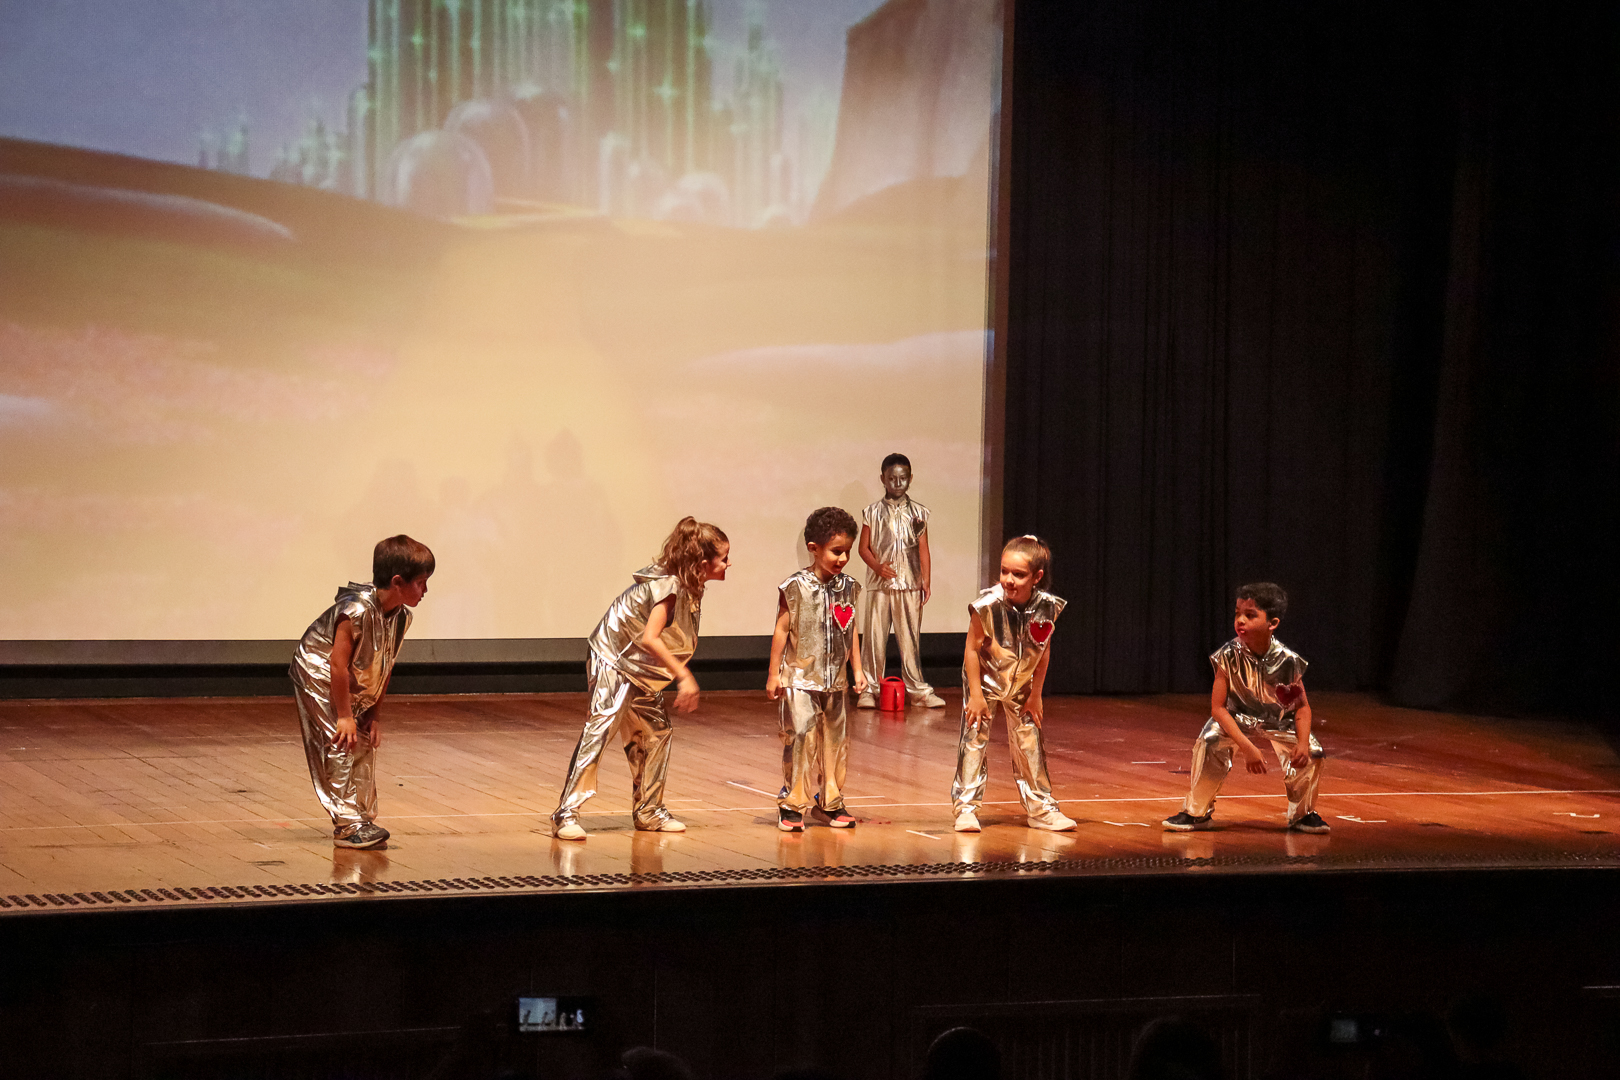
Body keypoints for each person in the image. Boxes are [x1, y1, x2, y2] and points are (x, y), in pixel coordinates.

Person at [551, 517, 730, 840]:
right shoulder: (669, 587)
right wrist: (684, 676)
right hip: (615, 659)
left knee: (656, 731)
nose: (729, 564)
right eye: (724, 558)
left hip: (641, 668)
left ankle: (649, 811)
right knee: (602, 728)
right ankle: (566, 813)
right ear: (703, 564)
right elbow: (650, 637)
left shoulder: (689, 586)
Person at [289, 534, 434, 850]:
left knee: (365, 739)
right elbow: (337, 665)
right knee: (340, 741)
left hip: (354, 677)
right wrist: (344, 715)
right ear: (397, 582)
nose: (425, 591)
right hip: (319, 673)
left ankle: (363, 817)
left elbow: (386, 665)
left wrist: (373, 714)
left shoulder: (401, 617)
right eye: (421, 583)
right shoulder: (354, 610)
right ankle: (346, 825)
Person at [1163, 582, 1329, 833]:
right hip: (1236, 718)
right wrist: (1247, 746)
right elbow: (1218, 709)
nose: (1240, 620)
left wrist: (1303, 743)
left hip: (1278, 721)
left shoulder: (1288, 661)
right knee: (1210, 741)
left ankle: (1303, 815)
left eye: (1250, 615)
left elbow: (1302, 707)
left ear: (1272, 623)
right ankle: (1196, 812)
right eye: (1238, 613)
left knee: (1313, 753)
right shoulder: (1228, 655)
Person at [952, 535, 1076, 833]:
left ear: (1037, 577)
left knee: (1030, 740)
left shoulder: (1047, 607)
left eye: (1018, 574)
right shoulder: (986, 606)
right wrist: (976, 695)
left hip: (1022, 684)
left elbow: (1043, 650)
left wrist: (1036, 694)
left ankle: (1041, 808)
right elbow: (971, 649)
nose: (1009, 579)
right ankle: (966, 808)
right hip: (986, 681)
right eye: (1004, 571)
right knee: (974, 739)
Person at [766, 506, 868, 832]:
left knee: (835, 744)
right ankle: (792, 804)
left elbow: (850, 629)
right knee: (801, 738)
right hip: (799, 679)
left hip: (835, 681)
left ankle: (830, 803)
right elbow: (782, 629)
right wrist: (774, 673)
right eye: (836, 551)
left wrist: (858, 669)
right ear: (814, 548)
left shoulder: (849, 587)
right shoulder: (795, 587)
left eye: (847, 552)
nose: (843, 558)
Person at [856, 453, 946, 708]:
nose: (897, 483)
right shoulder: (872, 512)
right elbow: (863, 548)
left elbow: (923, 548)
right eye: (892, 478)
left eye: (903, 478)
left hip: (909, 582)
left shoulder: (918, 513)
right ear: (882, 479)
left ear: (910, 479)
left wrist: (926, 580)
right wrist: (877, 566)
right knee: (874, 638)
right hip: (880, 585)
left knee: (909, 638)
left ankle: (918, 690)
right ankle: (869, 689)